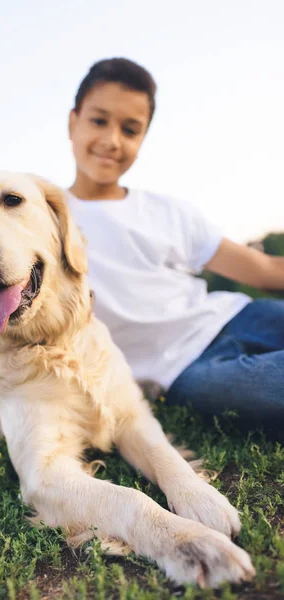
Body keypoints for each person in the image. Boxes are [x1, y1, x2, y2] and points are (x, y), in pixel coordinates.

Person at [66, 57, 284, 427]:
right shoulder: (43, 216)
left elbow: (263, 270)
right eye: (99, 120)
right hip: (181, 371)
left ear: (143, 138)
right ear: (73, 122)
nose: (112, 140)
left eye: (130, 129)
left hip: (235, 318)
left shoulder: (166, 211)